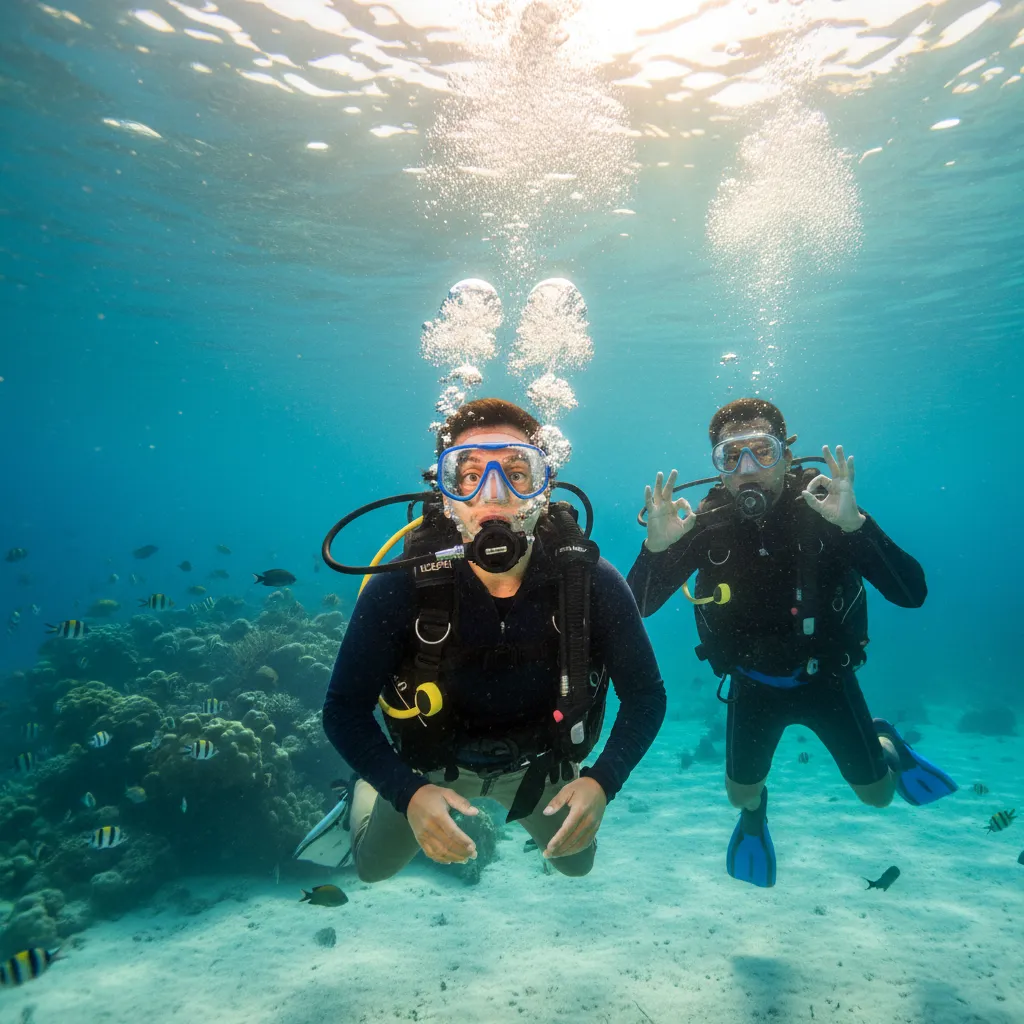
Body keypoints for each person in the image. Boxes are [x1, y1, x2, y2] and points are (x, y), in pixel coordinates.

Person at [322, 398, 666, 882]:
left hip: (539, 767)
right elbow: (342, 708)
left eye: (516, 473)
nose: (494, 492)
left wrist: (603, 782)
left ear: (543, 488)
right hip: (430, 768)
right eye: (468, 475)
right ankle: (362, 794)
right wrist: (405, 790)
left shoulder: (591, 582)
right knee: (373, 869)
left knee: (576, 865)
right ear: (445, 493)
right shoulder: (399, 586)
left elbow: (647, 696)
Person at [627, 397, 955, 888]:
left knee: (878, 797)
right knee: (740, 795)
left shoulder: (827, 509)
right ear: (717, 466)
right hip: (751, 685)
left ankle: (885, 740)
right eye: (730, 457)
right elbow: (637, 609)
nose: (746, 469)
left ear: (787, 453)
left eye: (762, 450)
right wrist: (655, 551)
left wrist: (858, 527)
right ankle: (755, 820)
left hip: (828, 680)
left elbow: (913, 594)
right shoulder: (705, 525)